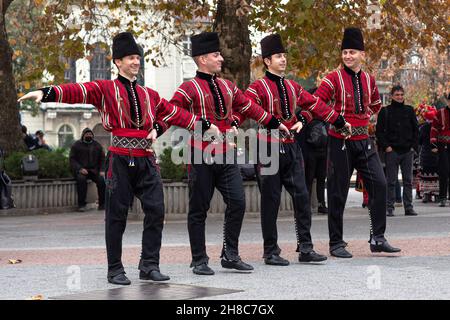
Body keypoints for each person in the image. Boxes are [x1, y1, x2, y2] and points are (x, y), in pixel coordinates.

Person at [18, 32, 219, 285]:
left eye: (137, 57)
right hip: (120, 159)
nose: (136, 62)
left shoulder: (150, 95)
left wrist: (204, 124)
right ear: (117, 62)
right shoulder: (104, 89)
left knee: (156, 210)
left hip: (146, 160)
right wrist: (45, 93)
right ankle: (115, 269)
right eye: (130, 58)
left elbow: (175, 113)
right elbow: (76, 91)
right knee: (116, 215)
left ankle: (149, 265)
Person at [170, 32, 289, 275]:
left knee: (238, 201)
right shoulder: (188, 88)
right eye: (216, 55)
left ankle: (229, 254)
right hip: (199, 155)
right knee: (198, 209)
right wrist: (199, 123)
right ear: (202, 59)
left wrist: (274, 122)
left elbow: (249, 107)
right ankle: (199, 260)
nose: (221, 58)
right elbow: (171, 112)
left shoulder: (227, 86)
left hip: (226, 155)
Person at [243, 34, 349, 266]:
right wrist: (234, 125)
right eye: (278, 56)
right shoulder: (257, 87)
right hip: (267, 148)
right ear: (267, 61)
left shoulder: (292, 86)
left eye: (284, 56)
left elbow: (315, 104)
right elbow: (245, 106)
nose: (283, 60)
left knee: (302, 197)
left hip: (292, 147)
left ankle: (305, 247)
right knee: (270, 200)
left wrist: (336, 119)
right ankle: (270, 251)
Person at [314, 27, 401, 258]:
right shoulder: (332, 79)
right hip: (339, 141)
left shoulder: (369, 79)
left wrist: (366, 119)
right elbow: (315, 103)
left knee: (380, 184)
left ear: (362, 54)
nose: (348, 56)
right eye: (344, 52)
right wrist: (336, 118)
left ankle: (377, 238)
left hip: (364, 140)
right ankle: (336, 243)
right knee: (337, 192)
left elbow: (375, 104)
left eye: (352, 52)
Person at [376, 85, 419, 216]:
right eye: (397, 95)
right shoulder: (385, 111)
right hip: (392, 151)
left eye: (401, 94)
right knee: (391, 181)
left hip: (407, 151)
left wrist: (413, 147)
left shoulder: (409, 110)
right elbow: (379, 132)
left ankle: (409, 207)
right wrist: (386, 147)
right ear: (391, 96)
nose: (400, 97)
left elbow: (416, 130)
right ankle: (389, 208)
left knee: (408, 181)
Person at [69, 128, 106, 212]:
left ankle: (102, 204)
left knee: (101, 181)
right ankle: (81, 205)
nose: (89, 135)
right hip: (81, 171)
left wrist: (102, 170)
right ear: (83, 135)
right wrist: (79, 169)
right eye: (87, 134)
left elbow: (102, 159)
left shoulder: (97, 145)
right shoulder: (76, 145)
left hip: (94, 171)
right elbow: (72, 159)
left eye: (90, 134)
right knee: (81, 180)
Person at [431, 93, 450, 207]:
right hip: (443, 145)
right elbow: (434, 129)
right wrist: (433, 145)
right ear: (447, 101)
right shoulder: (440, 113)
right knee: (444, 171)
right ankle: (442, 197)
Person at [418, 104, 439, 203]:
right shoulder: (437, 127)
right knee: (436, 175)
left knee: (425, 175)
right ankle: (437, 194)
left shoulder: (422, 128)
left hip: (425, 156)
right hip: (436, 155)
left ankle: (426, 195)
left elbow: (419, 141)